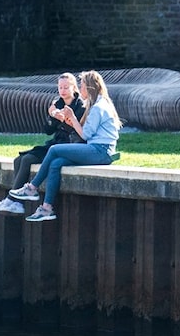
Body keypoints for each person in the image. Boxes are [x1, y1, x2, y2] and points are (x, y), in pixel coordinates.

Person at [9, 70, 120, 222]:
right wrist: (67, 119)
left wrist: (72, 118)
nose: (80, 90)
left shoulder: (98, 107)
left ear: (90, 88)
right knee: (56, 163)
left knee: (54, 149)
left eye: (82, 86)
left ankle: (32, 188)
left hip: (100, 150)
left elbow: (85, 135)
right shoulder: (96, 104)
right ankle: (47, 209)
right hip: (97, 149)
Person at [0, 73, 87, 216]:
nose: (63, 90)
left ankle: (11, 200)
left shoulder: (80, 106)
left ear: (74, 88)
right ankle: (16, 202)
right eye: (60, 87)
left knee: (28, 159)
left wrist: (66, 119)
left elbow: (78, 132)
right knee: (19, 159)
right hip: (54, 142)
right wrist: (53, 117)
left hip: (68, 144)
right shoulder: (57, 104)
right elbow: (47, 130)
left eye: (66, 87)